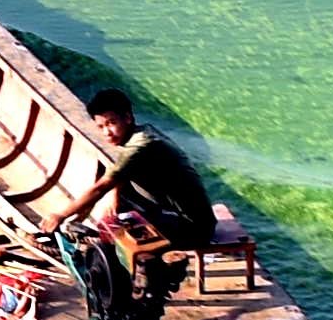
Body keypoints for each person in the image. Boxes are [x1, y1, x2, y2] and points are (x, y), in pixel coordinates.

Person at [83, 90, 240, 255]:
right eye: (101, 126)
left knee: (129, 225)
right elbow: (118, 170)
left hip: (194, 230)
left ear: (128, 118)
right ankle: (110, 245)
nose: (107, 132)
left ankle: (134, 259)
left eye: (111, 123)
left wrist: (61, 216)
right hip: (181, 217)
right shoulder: (142, 132)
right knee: (122, 197)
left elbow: (100, 187)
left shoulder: (142, 145)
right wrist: (114, 196)